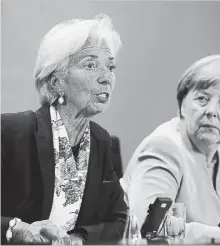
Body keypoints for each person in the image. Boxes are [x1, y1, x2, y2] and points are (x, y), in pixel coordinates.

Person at [121, 55, 220, 242]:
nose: (211, 111)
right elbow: (150, 228)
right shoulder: (163, 147)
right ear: (182, 105)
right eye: (202, 99)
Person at [1, 14, 127, 244]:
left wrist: (79, 238)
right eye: (90, 65)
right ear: (56, 81)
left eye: (110, 67)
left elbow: (119, 219)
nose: (106, 78)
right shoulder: (10, 131)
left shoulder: (101, 141)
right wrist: (16, 229)